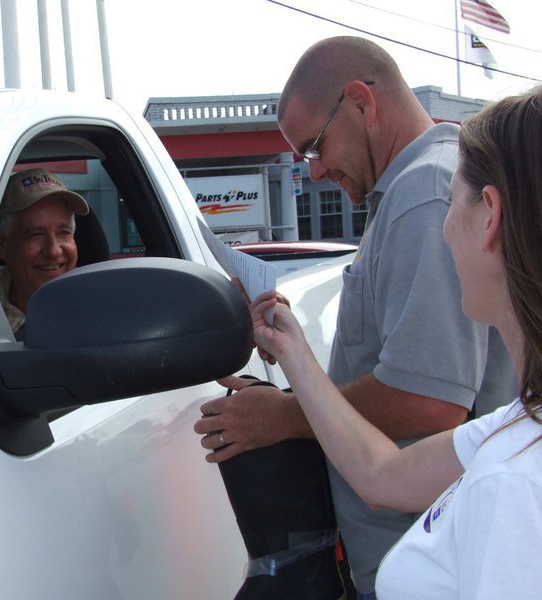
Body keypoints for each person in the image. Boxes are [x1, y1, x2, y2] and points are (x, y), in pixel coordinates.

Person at [193, 36, 517, 598]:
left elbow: (430, 402)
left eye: (314, 147)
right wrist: (296, 356)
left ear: (363, 103)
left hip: (435, 572)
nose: (313, 174)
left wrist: (285, 415)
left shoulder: (424, 195)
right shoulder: (409, 190)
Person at [0, 168, 89, 336]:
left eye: (64, 233)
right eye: (35, 235)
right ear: (1, 244)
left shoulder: (99, 307)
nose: (53, 251)